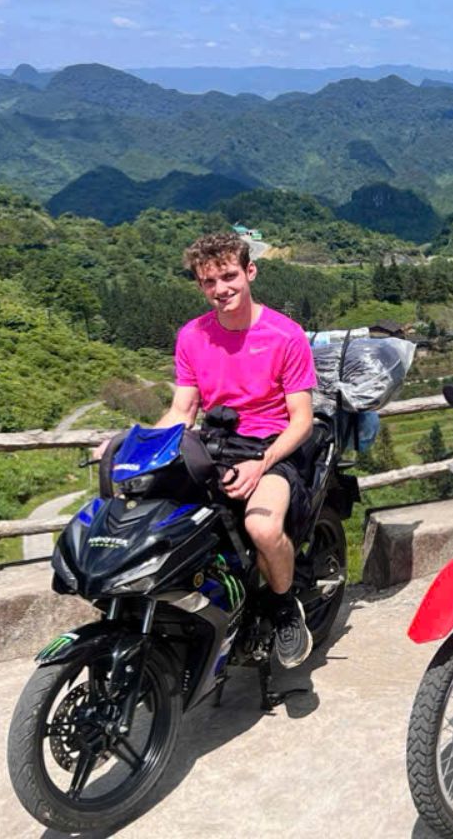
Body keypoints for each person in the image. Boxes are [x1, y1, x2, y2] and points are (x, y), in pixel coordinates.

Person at [130, 232, 320, 668]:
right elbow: (183, 409)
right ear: (200, 285)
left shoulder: (284, 336)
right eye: (209, 282)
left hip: (272, 447)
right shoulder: (192, 336)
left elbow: (302, 420)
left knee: (263, 528)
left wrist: (262, 463)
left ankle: (286, 605)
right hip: (215, 444)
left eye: (229, 276)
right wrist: (135, 445)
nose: (221, 289)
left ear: (250, 272)